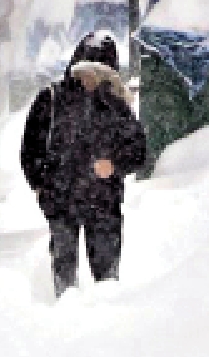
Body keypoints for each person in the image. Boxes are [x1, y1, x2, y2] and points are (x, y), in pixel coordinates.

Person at [20, 32, 147, 298]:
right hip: (61, 199)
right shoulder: (52, 99)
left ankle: (106, 313)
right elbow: (31, 147)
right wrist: (40, 185)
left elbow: (138, 151)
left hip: (104, 203)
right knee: (64, 276)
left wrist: (115, 164)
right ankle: (65, 314)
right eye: (84, 71)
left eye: (98, 73)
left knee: (107, 282)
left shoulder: (116, 106)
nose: (89, 78)